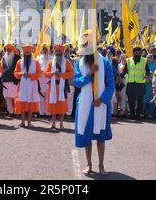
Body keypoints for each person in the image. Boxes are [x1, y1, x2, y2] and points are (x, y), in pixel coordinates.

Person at [74, 30, 115, 176]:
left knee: (100, 137)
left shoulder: (104, 62)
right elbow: (77, 82)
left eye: (88, 45)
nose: (86, 48)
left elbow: (111, 85)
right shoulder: (80, 62)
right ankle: (89, 165)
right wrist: (90, 73)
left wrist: (102, 99)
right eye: (84, 45)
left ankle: (101, 165)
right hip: (85, 104)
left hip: (100, 105)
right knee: (86, 137)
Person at [45, 44, 74, 129]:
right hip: (53, 86)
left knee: (62, 105)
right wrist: (52, 73)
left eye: (59, 51)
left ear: (62, 52)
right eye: (56, 51)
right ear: (54, 52)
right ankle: (53, 123)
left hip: (62, 86)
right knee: (53, 104)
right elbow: (46, 73)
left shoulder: (67, 62)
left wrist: (62, 74)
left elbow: (72, 72)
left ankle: (61, 123)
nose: (58, 53)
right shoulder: (50, 62)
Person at [14, 44, 42, 127]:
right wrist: (22, 74)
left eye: (28, 52)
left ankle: (29, 122)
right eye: (25, 52)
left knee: (30, 104)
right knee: (22, 103)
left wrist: (31, 76)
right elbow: (15, 73)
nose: (26, 54)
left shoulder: (36, 62)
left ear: (31, 52)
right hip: (22, 85)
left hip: (32, 85)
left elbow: (39, 73)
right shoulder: (19, 62)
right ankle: (22, 121)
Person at [123, 47, 149, 119]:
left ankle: (138, 115)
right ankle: (132, 114)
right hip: (131, 83)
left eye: (139, 53)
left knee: (140, 100)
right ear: (133, 53)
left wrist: (147, 75)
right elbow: (125, 70)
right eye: (136, 52)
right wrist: (120, 75)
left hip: (140, 83)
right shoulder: (128, 60)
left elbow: (147, 70)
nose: (138, 54)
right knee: (131, 100)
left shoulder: (144, 61)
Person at [1, 43, 20, 118]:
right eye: (7, 49)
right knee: (7, 97)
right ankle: (10, 112)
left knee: (15, 97)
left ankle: (17, 111)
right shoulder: (3, 58)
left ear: (12, 50)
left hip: (14, 81)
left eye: (9, 49)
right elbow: (1, 69)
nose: (8, 51)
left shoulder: (17, 57)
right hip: (5, 80)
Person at [37, 43, 51, 117]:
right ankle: (41, 113)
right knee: (40, 97)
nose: (45, 50)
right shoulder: (38, 58)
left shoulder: (51, 58)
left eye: (46, 49)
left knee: (48, 98)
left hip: (48, 80)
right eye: (43, 49)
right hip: (40, 80)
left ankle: (48, 113)